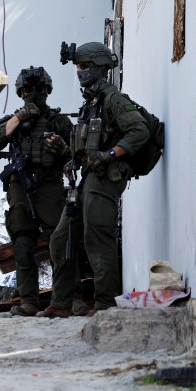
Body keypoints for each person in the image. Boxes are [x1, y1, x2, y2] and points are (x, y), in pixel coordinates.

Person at [38, 42, 149, 318]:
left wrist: (110, 154)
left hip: (105, 178)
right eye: (78, 66)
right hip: (85, 179)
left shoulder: (114, 99)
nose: (79, 72)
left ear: (99, 68)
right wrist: (63, 149)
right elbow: (82, 150)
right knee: (60, 238)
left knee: (97, 238)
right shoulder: (91, 104)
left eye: (84, 66)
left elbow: (139, 130)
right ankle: (61, 303)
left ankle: (104, 304)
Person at [0, 66, 87, 317]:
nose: (33, 94)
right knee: (22, 244)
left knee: (62, 243)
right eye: (28, 90)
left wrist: (62, 150)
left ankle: (70, 297)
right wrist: (19, 117)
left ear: (47, 90)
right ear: (21, 92)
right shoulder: (14, 121)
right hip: (20, 186)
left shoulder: (59, 121)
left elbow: (79, 155)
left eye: (38, 89)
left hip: (50, 186)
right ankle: (29, 301)